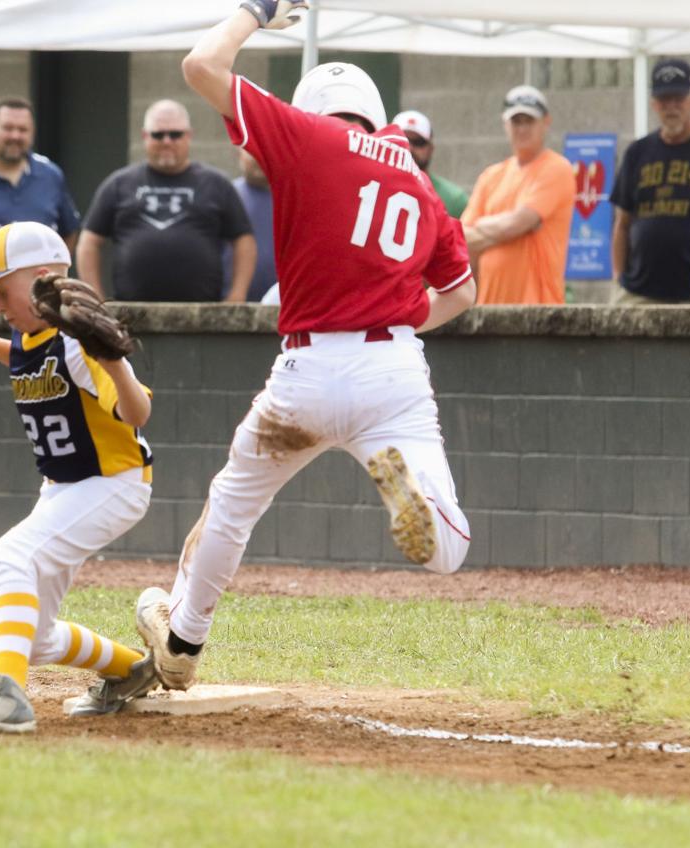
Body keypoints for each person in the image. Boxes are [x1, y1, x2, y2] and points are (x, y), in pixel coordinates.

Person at [134, 3, 477, 692]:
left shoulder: (307, 134)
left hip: (309, 369)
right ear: (374, 114)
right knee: (447, 551)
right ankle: (429, 516)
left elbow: (201, 66)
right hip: (395, 369)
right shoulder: (416, 178)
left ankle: (183, 639)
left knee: (234, 503)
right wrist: (406, 310)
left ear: (315, 108)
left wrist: (255, 11)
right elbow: (464, 293)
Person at [0, 221, 158, 733]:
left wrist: (115, 362)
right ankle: (132, 671)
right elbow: (32, 359)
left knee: (11, 556)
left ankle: (4, 696)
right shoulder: (32, 333)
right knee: (33, 636)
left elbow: (137, 411)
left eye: (0, 290)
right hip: (64, 487)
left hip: (111, 483)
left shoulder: (79, 342)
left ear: (45, 278)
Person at [76, 99, 257, 302]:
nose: (167, 141)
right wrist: (95, 299)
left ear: (189, 136)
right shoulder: (119, 183)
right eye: (158, 134)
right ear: (145, 136)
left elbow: (244, 240)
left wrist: (237, 295)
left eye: (175, 134)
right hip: (130, 316)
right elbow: (89, 241)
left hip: (203, 317)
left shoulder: (217, 183)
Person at [610, 58, 690, 305]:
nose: (671, 107)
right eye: (664, 100)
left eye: (678, 99)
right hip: (638, 292)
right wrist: (618, 277)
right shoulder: (638, 152)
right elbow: (622, 223)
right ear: (653, 104)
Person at [461, 85, 575, 305]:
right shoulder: (491, 176)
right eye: (516, 121)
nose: (522, 128)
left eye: (529, 121)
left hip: (540, 310)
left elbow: (516, 223)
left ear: (546, 122)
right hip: (488, 307)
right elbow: (463, 238)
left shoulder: (556, 168)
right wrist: (510, 229)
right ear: (505, 124)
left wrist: (484, 227)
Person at [0, 97, 81, 252]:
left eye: (23, 130)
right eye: (8, 128)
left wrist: (56, 267)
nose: (15, 136)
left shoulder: (51, 174)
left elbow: (70, 231)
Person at [392, 110, 469, 219]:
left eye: (419, 142)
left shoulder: (454, 199)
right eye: (403, 140)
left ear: (431, 149)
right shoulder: (375, 186)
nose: (410, 148)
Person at [222, 148, 277, 301]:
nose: (258, 158)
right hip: (234, 305)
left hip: (286, 308)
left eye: (265, 150)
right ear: (239, 154)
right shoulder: (226, 195)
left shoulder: (297, 198)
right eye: (252, 151)